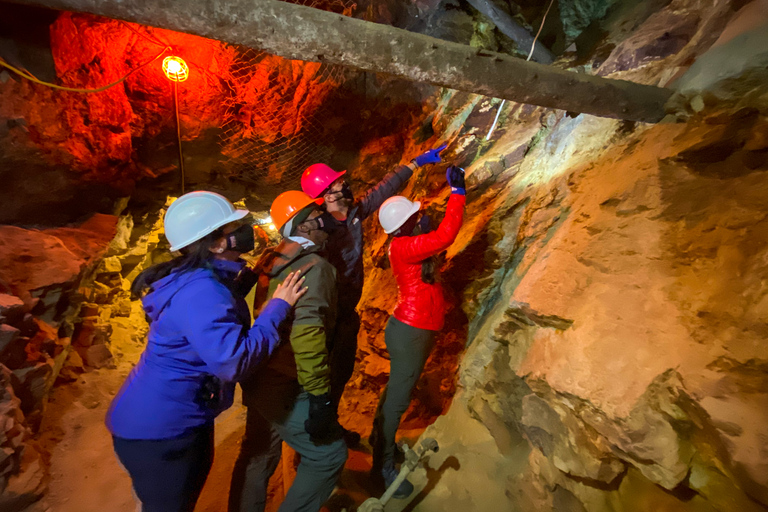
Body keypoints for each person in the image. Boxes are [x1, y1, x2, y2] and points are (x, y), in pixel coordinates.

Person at [106, 191, 307, 512]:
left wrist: (252, 275)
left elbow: (213, 311)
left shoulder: (195, 277)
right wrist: (277, 308)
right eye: (233, 229)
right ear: (214, 244)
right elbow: (234, 361)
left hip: (160, 420)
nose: (246, 232)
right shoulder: (202, 291)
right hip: (161, 433)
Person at [299, 145, 446, 444]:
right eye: (339, 183)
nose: (345, 184)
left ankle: (331, 426)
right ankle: (312, 437)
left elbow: (382, 189)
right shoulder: (317, 229)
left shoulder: (352, 212)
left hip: (347, 310)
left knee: (341, 371)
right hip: (327, 315)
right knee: (320, 377)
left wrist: (415, 163)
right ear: (327, 195)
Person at [229, 190, 346, 512]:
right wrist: (320, 396)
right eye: (316, 216)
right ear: (302, 225)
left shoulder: (272, 257)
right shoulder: (314, 268)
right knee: (328, 455)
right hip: (284, 379)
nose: (324, 220)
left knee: (259, 452)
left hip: (259, 372)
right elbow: (308, 337)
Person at [370, 165, 467, 498]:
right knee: (398, 399)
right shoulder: (404, 248)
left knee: (394, 393)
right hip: (411, 331)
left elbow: (431, 243)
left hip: (409, 326)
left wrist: (421, 224)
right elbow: (444, 237)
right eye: (413, 217)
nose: (419, 217)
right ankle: (382, 467)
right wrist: (458, 193)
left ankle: (379, 442)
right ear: (403, 226)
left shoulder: (404, 243)